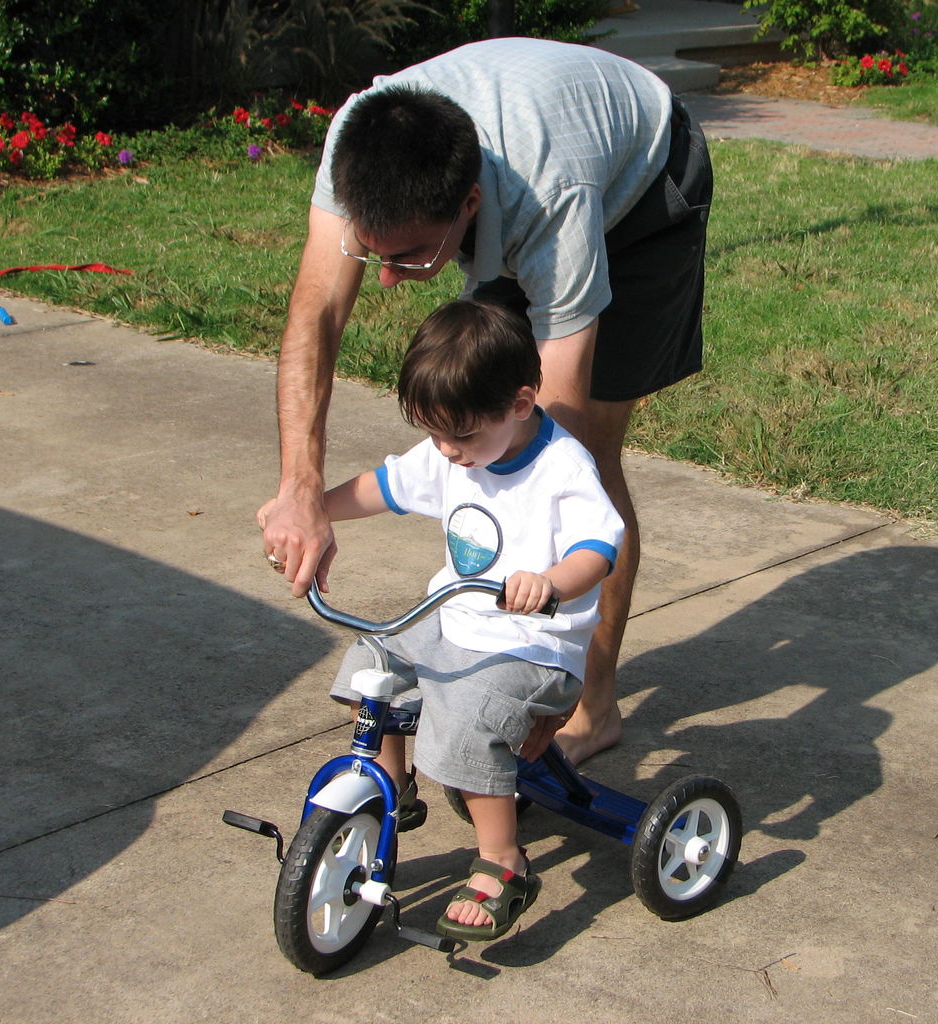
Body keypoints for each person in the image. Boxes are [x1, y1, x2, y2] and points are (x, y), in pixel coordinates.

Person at [258, 36, 713, 765]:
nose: (385, 280)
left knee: (574, 455)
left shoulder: (552, 199)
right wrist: (299, 488)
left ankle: (587, 705)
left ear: (468, 205)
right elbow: (314, 315)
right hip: (520, 165)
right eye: (370, 252)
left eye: (406, 258)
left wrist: (538, 674)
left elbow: (555, 438)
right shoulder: (361, 137)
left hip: (641, 191)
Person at [321, 299, 624, 940]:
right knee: (369, 667)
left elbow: (599, 548)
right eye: (436, 436)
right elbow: (383, 486)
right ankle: (393, 791)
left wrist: (550, 583)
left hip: (533, 644)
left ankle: (503, 863)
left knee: (465, 724)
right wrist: (315, 512)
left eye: (460, 437)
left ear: (518, 404)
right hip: (456, 617)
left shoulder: (561, 467)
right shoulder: (454, 448)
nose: (448, 453)